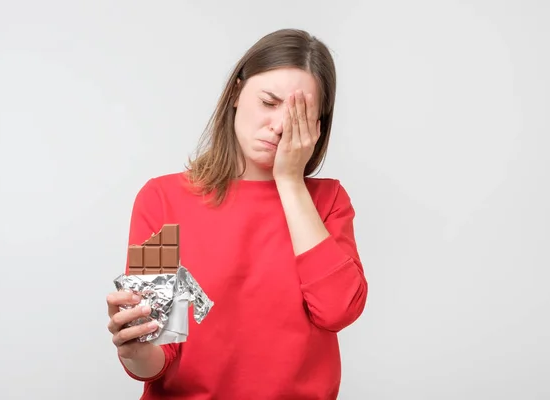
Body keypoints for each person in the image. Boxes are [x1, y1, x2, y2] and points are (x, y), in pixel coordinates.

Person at [106, 28, 368, 400]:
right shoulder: (163, 199)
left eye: (299, 114)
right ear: (235, 93)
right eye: (269, 102)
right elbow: (158, 355)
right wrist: (133, 350)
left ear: (317, 126)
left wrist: (291, 181)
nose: (279, 126)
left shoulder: (327, 202)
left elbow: (338, 311)